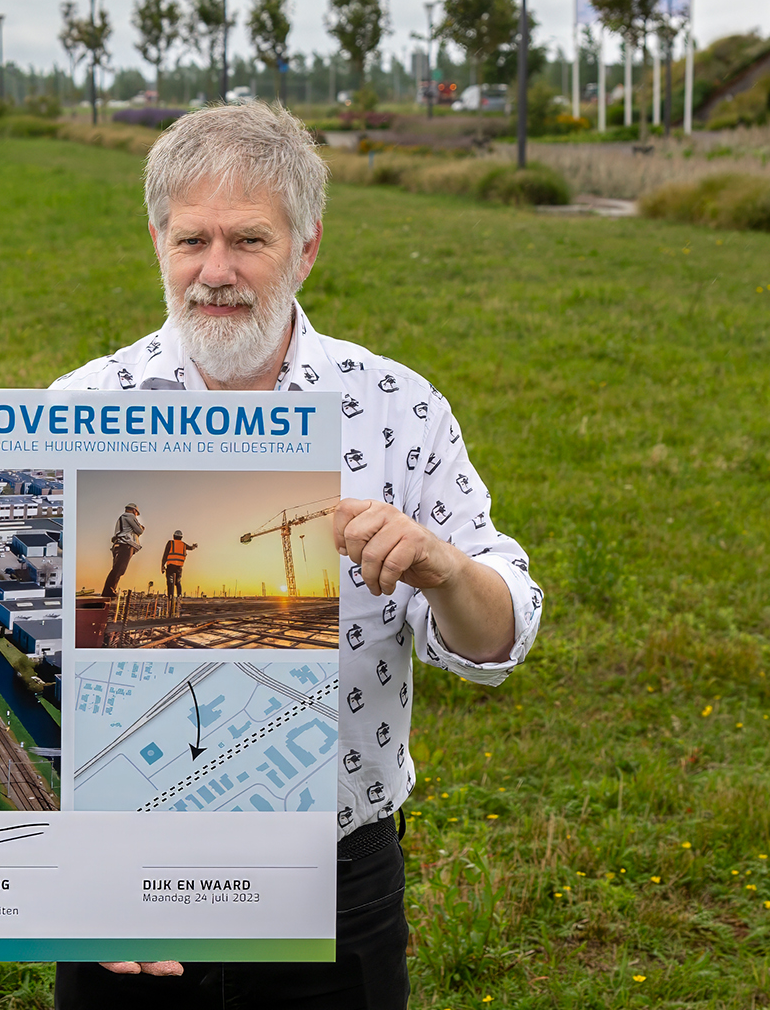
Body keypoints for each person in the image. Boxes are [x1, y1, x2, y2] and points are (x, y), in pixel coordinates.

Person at [51, 101, 542, 1010]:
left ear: (307, 248)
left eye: (250, 241)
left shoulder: (397, 406)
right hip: (131, 872)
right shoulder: (82, 406)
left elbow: (498, 640)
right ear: (157, 240)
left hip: (335, 876)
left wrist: (443, 569)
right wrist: (88, 872)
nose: (216, 272)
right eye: (191, 240)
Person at [101, 502, 145, 596]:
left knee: (117, 569)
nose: (136, 515)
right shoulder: (129, 516)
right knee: (119, 569)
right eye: (136, 513)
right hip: (125, 544)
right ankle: (108, 591)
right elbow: (139, 530)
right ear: (134, 510)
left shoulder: (122, 518)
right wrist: (141, 527)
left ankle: (110, 590)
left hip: (120, 544)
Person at [162, 530, 198, 599]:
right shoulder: (183, 545)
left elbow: (165, 555)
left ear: (174, 536)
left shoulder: (170, 543)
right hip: (179, 567)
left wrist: (162, 565)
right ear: (181, 537)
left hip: (170, 566)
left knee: (170, 582)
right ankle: (179, 595)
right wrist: (194, 546)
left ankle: (170, 596)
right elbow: (190, 548)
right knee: (177, 582)